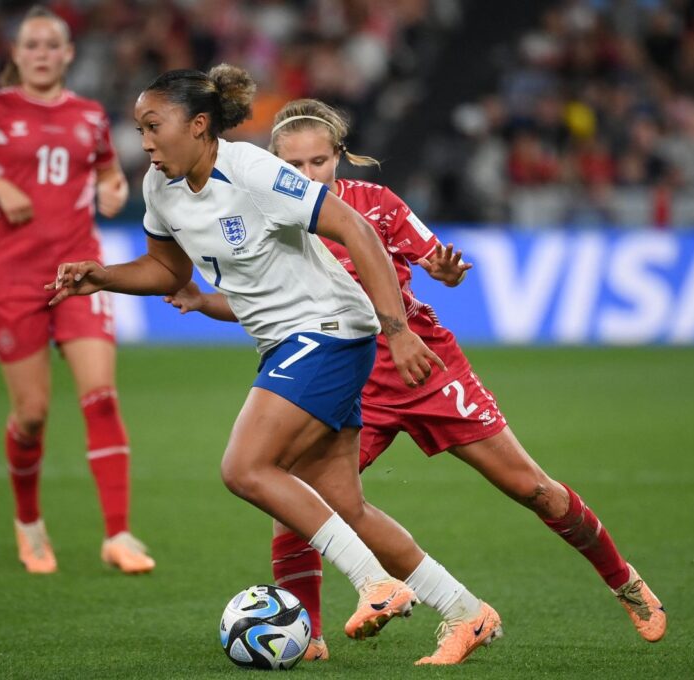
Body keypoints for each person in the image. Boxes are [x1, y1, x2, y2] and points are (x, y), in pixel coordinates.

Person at [165, 98, 667, 659]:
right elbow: (268, 303)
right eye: (296, 164)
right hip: (349, 381)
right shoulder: (265, 211)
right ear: (273, 161)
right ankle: (308, 635)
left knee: (531, 488)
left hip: (422, 366)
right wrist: (205, 302)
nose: (308, 174)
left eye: (319, 161)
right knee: (298, 502)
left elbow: (434, 261)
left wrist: (445, 272)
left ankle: (626, 582)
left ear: (339, 158)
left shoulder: (373, 205)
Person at [49, 65, 502, 666]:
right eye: (140, 128)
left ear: (200, 124)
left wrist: (397, 334)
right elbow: (167, 272)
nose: (145, 141)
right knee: (345, 503)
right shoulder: (160, 189)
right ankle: (468, 612)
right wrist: (100, 275)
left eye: (154, 126)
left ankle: (376, 586)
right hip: (289, 342)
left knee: (245, 467)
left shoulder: (253, 170)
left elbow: (358, 231)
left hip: (330, 330)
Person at [0, 6, 154, 575]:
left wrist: (113, 187)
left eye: (52, 44)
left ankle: (119, 535)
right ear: (17, 54)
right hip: (14, 278)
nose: (43, 53)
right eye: (32, 45)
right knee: (31, 415)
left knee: (101, 395)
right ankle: (29, 524)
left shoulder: (90, 116)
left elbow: (106, 173)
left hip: (81, 273)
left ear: (68, 53)